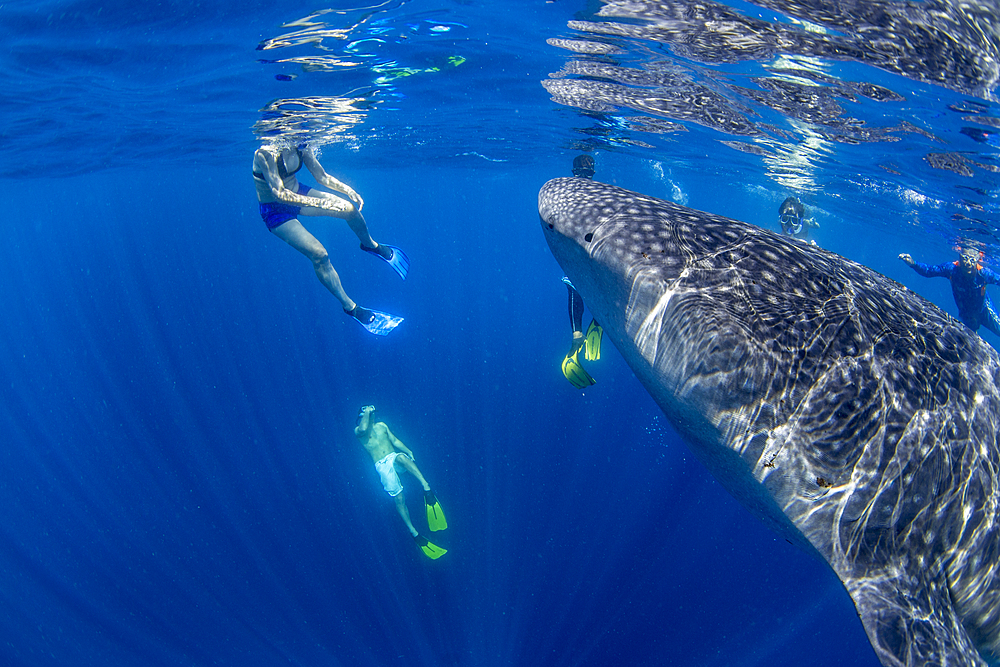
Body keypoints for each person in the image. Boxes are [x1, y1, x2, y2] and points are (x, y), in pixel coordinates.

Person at [253, 142, 409, 336]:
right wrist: (319, 202)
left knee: (350, 210)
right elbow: (280, 193)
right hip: (275, 211)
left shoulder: (301, 144)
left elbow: (321, 176)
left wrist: (347, 190)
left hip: (299, 194)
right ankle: (351, 307)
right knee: (320, 254)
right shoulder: (265, 153)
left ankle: (370, 245)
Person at [354, 405, 448, 559]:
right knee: (399, 498)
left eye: (372, 413)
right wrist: (367, 411)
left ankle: (426, 487)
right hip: (382, 465)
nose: (372, 416)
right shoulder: (358, 431)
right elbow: (364, 428)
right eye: (368, 414)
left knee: (401, 457)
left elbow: (395, 440)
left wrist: (408, 450)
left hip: (393, 457)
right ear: (362, 416)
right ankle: (413, 531)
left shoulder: (382, 426)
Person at [560, 154, 604, 388]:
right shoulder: (599, 194)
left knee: (574, 289)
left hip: (577, 256)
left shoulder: (567, 194)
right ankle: (596, 322)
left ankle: (578, 333)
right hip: (593, 256)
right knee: (595, 289)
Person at [899, 246, 1000, 337]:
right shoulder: (951, 269)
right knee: (964, 346)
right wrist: (913, 264)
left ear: (978, 259)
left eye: (972, 260)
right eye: (965, 258)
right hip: (966, 315)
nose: (968, 263)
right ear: (959, 256)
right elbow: (929, 271)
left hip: (985, 310)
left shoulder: (984, 274)